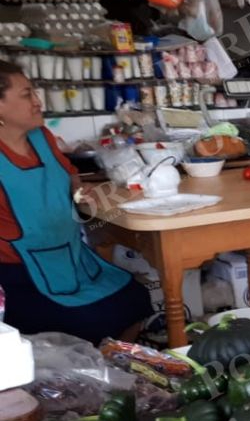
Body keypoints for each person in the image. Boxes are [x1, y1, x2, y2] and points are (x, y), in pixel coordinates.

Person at [0, 60, 150, 342]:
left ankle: (111, 364)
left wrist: (81, 190)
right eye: (27, 94)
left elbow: (68, 175)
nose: (37, 101)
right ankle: (90, 366)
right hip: (20, 274)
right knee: (89, 319)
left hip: (72, 260)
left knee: (135, 298)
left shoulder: (42, 137)